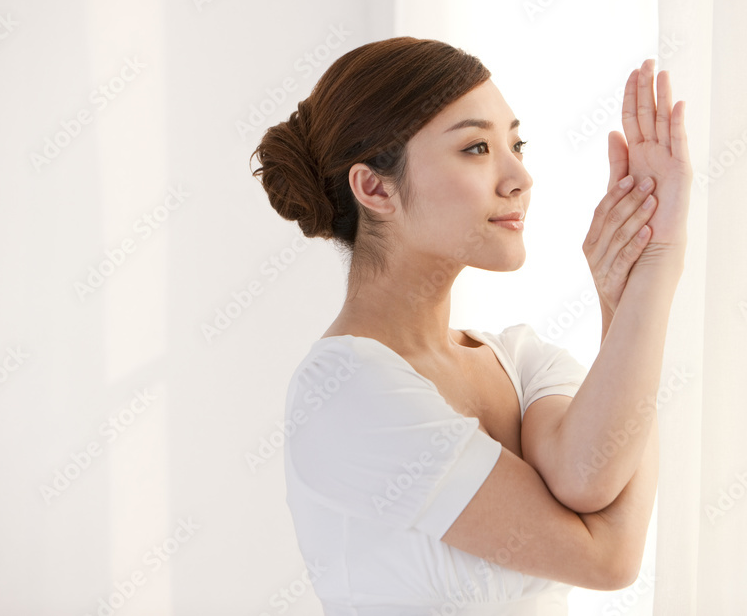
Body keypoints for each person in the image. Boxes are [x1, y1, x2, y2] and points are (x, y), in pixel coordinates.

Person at [250, 37, 692, 615]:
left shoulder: (521, 358)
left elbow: (591, 478)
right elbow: (606, 558)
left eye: (517, 142)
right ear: (375, 188)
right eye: (477, 147)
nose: (519, 177)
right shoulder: (347, 388)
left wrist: (637, 288)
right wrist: (653, 280)